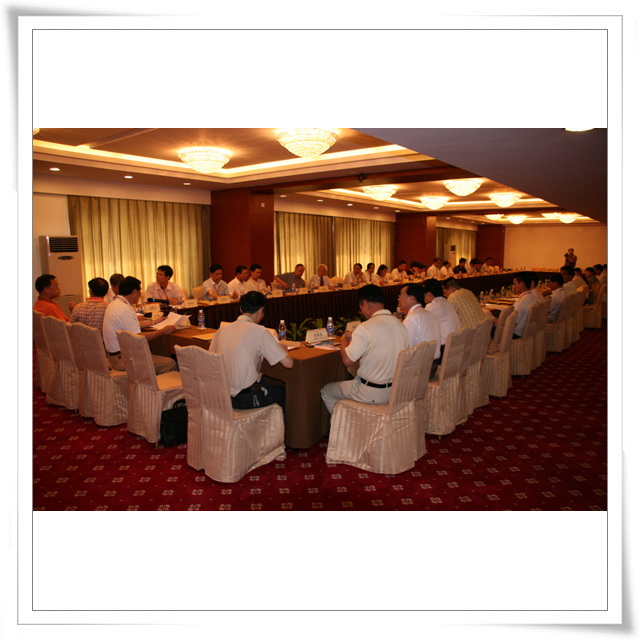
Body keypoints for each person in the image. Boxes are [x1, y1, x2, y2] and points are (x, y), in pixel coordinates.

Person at [321, 285, 408, 415]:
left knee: (327, 391)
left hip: (371, 392)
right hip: (395, 390)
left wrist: (344, 339)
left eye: (361, 307)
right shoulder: (399, 324)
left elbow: (347, 361)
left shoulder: (366, 327)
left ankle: (342, 425)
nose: (361, 311)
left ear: (366, 304)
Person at [210, 291, 293, 412]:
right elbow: (288, 363)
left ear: (240, 309)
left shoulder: (222, 329)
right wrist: (283, 350)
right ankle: (277, 425)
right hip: (245, 398)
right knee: (284, 391)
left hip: (221, 395)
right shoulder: (259, 331)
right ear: (261, 310)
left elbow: (211, 358)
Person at [102, 276, 177, 373]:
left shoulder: (114, 304)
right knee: (170, 363)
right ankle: (153, 383)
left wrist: (154, 322)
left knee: (154, 354)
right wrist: (162, 331)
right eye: (140, 291)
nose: (140, 294)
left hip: (115, 355)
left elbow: (132, 325)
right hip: (124, 359)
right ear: (134, 292)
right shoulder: (125, 309)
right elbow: (138, 337)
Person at [398, 283, 441, 379]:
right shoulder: (430, 315)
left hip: (419, 371)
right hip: (433, 367)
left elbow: (405, 349)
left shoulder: (413, 318)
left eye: (401, 296)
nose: (399, 299)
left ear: (412, 299)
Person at [423, 278, 461, 345]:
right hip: (456, 342)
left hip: (444, 345)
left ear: (429, 294)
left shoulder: (431, 307)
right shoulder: (447, 303)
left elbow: (422, 325)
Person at [512, 272, 536, 338]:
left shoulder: (521, 302)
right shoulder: (534, 298)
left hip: (516, 334)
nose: (514, 286)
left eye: (515, 284)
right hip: (527, 332)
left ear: (522, 284)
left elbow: (512, 324)